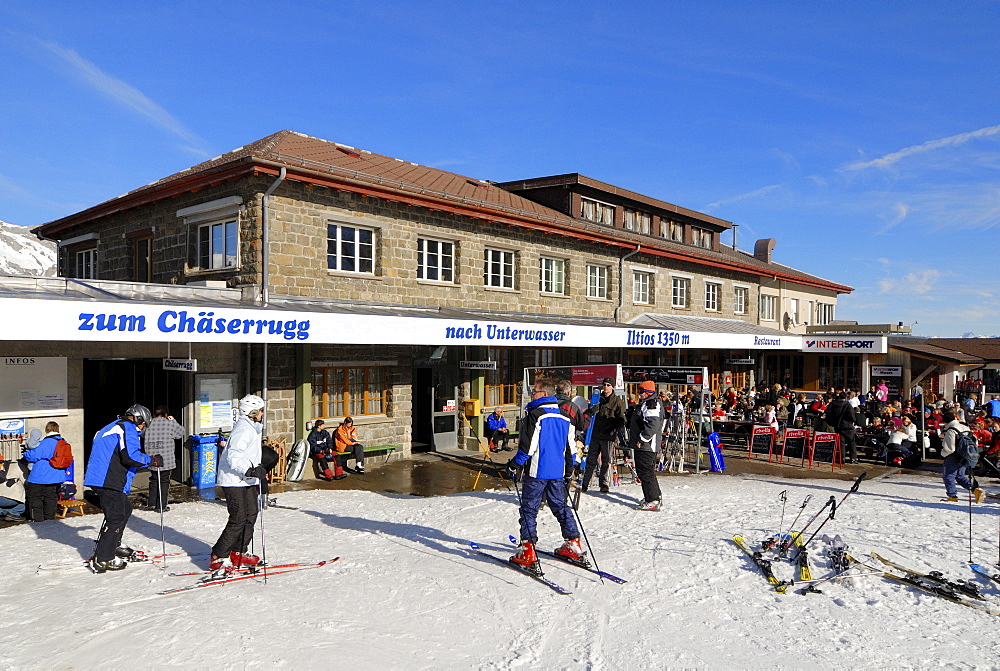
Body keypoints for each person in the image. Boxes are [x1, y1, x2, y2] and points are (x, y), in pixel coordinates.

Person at [509, 380, 582, 570]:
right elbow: (571, 448)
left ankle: (528, 549)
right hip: (557, 472)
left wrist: (514, 464)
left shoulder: (536, 415)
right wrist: (570, 468)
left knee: (529, 509)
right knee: (560, 506)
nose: (531, 394)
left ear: (543, 394)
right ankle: (573, 543)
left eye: (534, 391)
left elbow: (529, 447)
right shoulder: (565, 416)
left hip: (537, 471)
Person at [84, 405, 158, 573]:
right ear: (138, 419)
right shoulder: (126, 428)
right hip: (107, 479)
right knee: (116, 517)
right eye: (143, 424)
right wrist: (151, 460)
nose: (142, 428)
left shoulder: (113, 427)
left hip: (104, 477)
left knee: (125, 508)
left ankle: (113, 544)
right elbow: (130, 456)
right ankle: (103, 558)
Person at [211, 395, 267, 574]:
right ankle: (218, 556)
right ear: (252, 412)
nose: (263, 413)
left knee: (251, 513)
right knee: (238, 517)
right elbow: (233, 456)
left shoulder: (253, 428)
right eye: (260, 410)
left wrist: (256, 468)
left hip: (245, 479)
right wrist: (249, 470)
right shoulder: (244, 429)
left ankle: (238, 552)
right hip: (233, 479)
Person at [582, 377, 626, 494]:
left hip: (608, 435)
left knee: (606, 461)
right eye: (604, 385)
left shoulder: (616, 401)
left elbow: (621, 419)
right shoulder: (597, 399)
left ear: (612, 387)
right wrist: (591, 411)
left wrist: (615, 429)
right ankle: (585, 483)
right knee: (591, 459)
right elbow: (586, 414)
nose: (605, 387)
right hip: (595, 434)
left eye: (608, 385)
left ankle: (604, 484)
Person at [628, 380, 665, 511]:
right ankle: (654, 495)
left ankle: (653, 499)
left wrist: (642, 439)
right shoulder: (647, 403)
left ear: (648, 392)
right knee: (646, 471)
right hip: (645, 444)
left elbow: (653, 425)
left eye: (641, 391)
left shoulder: (651, 404)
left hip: (647, 445)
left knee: (645, 471)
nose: (640, 394)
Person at [22, 424, 68, 522]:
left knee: (35, 499)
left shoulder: (46, 443)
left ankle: (38, 522)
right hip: (57, 477)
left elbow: (32, 456)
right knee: (51, 499)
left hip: (39, 477)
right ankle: (50, 520)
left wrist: (25, 453)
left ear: (47, 430)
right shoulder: (63, 442)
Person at [144, 407, 185, 513]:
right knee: (164, 481)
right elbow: (180, 433)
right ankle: (161, 505)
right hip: (166, 458)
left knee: (153, 480)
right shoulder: (169, 423)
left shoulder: (148, 424)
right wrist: (174, 421)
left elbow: (142, 434)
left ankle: (151, 503)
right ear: (166, 414)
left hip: (152, 457)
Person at [939, 411, 985, 503]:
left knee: (948, 476)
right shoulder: (965, 427)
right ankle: (975, 490)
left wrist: (942, 454)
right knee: (960, 476)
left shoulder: (951, 430)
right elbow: (974, 440)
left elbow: (949, 448)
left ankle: (952, 496)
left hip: (954, 456)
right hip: (966, 456)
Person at [825, 392, 858, 463]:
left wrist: (832, 423)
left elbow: (828, 413)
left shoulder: (833, 404)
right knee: (851, 442)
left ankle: (841, 457)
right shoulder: (848, 405)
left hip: (838, 425)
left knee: (841, 443)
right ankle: (853, 458)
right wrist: (853, 421)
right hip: (847, 426)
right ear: (846, 398)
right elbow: (852, 416)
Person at [0, 457, 28, 521]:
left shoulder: (3, 466)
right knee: (26, 502)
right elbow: (26, 483)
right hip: (7, 497)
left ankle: (6, 513)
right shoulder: (20, 467)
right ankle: (14, 513)